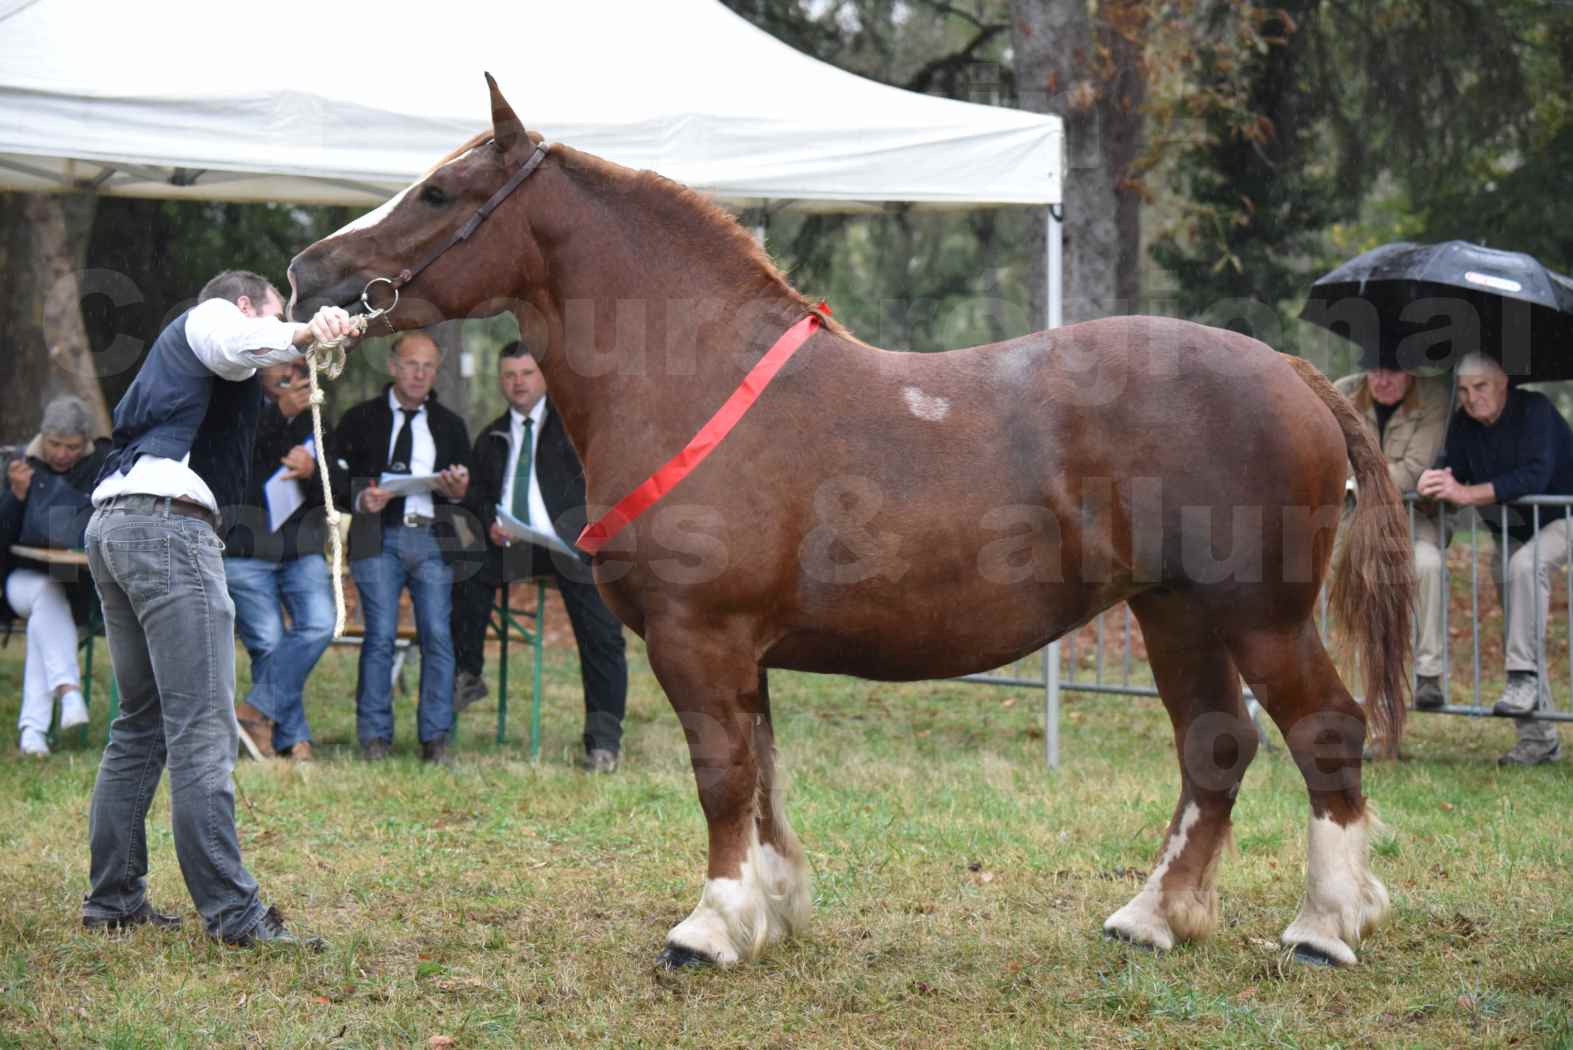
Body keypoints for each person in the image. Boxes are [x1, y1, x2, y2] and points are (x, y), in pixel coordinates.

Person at [82, 268, 355, 944]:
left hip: (119, 526)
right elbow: (236, 339)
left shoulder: (203, 365)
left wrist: (316, 337)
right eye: (271, 313)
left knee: (140, 724)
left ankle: (113, 900)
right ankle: (234, 915)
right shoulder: (207, 320)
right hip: (165, 530)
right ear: (244, 306)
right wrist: (296, 331)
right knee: (201, 729)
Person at [452, 341, 628, 772]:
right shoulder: (491, 435)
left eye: (527, 374)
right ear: (501, 380)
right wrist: (488, 518)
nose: (518, 383)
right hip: (515, 544)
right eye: (510, 375)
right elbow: (477, 497)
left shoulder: (572, 426)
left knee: (602, 632)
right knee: (468, 564)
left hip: (570, 546)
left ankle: (603, 741)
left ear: (544, 377)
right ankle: (468, 674)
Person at [1418, 352, 1573, 766]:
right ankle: (1539, 739)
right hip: (1511, 532)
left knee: (1526, 567)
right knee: (1518, 626)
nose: (1471, 399)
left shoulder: (1535, 410)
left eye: (1481, 387)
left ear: (1503, 381)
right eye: (1465, 390)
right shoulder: (1465, 423)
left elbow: (1534, 477)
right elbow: (1450, 469)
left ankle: (1522, 678)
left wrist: (1466, 494)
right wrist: (1431, 478)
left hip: (1561, 517)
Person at [334, 330, 470, 766]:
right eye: (412, 364)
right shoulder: (361, 419)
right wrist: (360, 497)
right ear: (393, 367)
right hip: (379, 537)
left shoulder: (450, 424)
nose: (419, 373)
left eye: (428, 366)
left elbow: (467, 489)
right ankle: (375, 736)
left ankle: (436, 738)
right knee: (380, 636)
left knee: (438, 634)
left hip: (432, 537)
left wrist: (458, 488)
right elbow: (331, 477)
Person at [224, 361, 346, 761]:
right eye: (282, 368)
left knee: (320, 624)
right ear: (259, 368)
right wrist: (279, 415)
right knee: (270, 642)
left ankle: (254, 712)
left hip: (299, 547)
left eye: (297, 367)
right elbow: (232, 469)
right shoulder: (234, 405)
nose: (292, 376)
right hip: (246, 546)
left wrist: (313, 472)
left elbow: (338, 490)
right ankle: (291, 740)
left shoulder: (314, 417)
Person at [1334, 367, 1451, 710]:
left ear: (1411, 372)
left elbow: (1416, 467)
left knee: (1427, 565)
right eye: (1374, 371)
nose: (1382, 381)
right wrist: (1370, 479)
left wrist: (1359, 481)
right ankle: (1369, 701)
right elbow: (1329, 455)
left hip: (1413, 519)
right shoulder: (1343, 390)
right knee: (1362, 598)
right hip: (1356, 523)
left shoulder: (1433, 397)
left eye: (1393, 372)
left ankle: (1428, 674)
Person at [1, 396, 108, 756]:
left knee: (43, 622)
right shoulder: (17, 464)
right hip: (19, 580)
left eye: (72, 447)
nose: (63, 454)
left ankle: (33, 733)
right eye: (55, 445)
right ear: (42, 437)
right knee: (46, 591)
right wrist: (15, 497)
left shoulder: (100, 465)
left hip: (76, 587)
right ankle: (69, 691)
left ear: (85, 442)